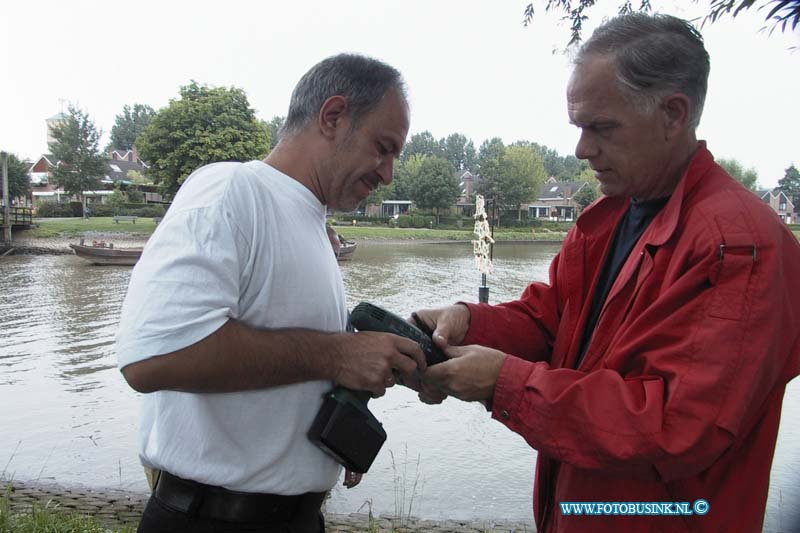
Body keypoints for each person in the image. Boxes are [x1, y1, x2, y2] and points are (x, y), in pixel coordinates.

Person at [415, 13, 800, 533]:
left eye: (601, 128)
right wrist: (468, 322)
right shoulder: (608, 217)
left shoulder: (738, 247)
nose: (582, 150)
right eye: (578, 127)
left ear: (673, 113)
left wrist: (504, 384)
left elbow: (673, 426)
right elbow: (556, 321)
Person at [116, 53, 425, 532]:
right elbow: (153, 356)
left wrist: (347, 403)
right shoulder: (230, 190)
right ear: (333, 116)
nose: (387, 173)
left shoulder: (313, 225)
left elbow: (299, 362)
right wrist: (337, 357)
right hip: (212, 519)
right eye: (383, 148)